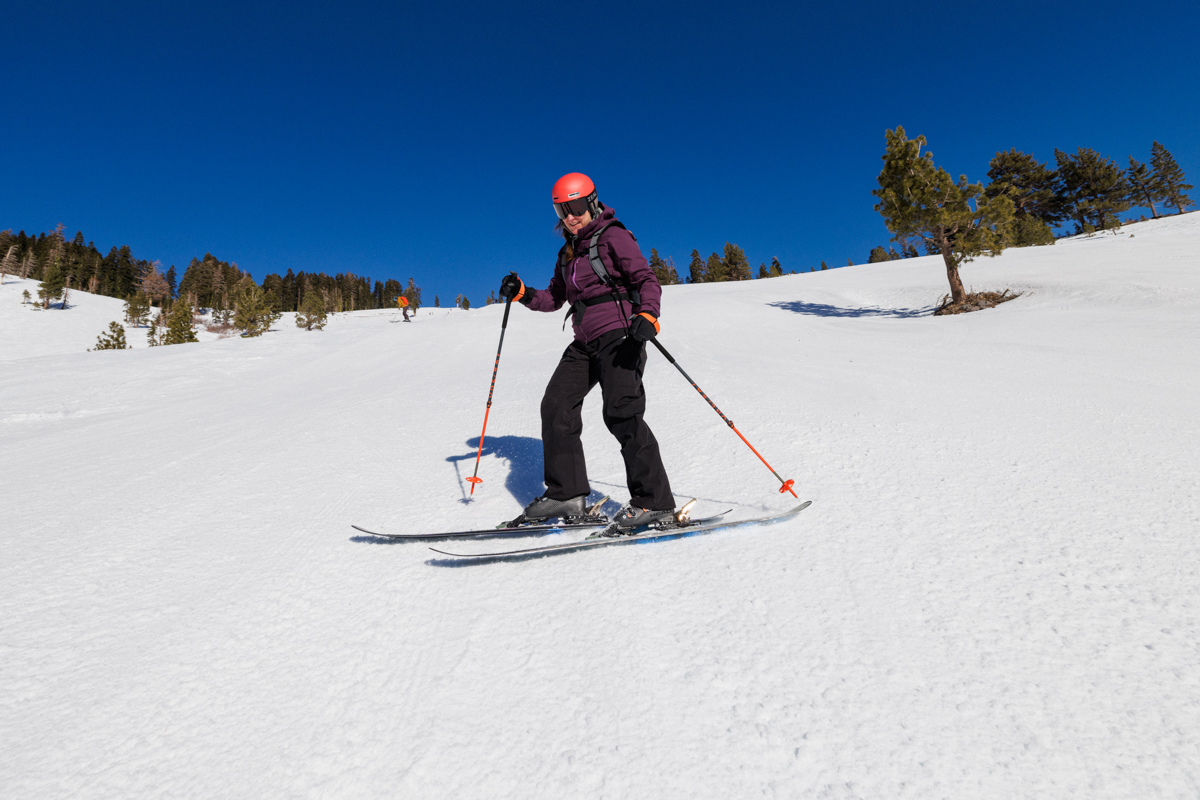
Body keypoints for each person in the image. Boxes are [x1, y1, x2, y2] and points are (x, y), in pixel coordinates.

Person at [499, 172, 675, 534]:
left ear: (592, 202)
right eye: (561, 209)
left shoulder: (614, 236)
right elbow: (554, 298)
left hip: (621, 333)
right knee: (556, 404)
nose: (569, 216)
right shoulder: (568, 253)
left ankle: (654, 502)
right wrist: (522, 293)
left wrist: (648, 314)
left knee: (621, 412)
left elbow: (646, 279)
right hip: (585, 341)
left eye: (575, 206)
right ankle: (566, 493)